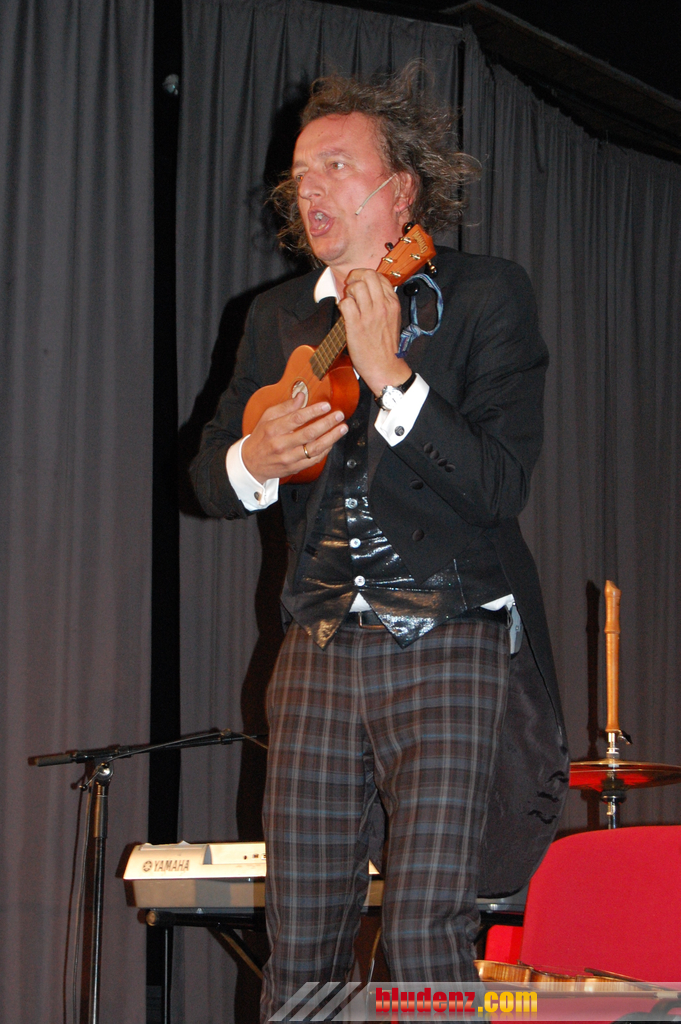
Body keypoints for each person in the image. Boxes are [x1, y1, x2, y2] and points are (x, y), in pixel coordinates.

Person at [190, 67, 569, 1020]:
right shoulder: (273, 317)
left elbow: (499, 484)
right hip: (316, 643)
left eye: (334, 165)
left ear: (400, 189)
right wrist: (251, 459)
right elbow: (205, 480)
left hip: (449, 631)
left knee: (424, 925)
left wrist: (393, 380)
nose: (308, 189)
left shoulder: (484, 295)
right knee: (300, 934)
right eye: (298, 176)